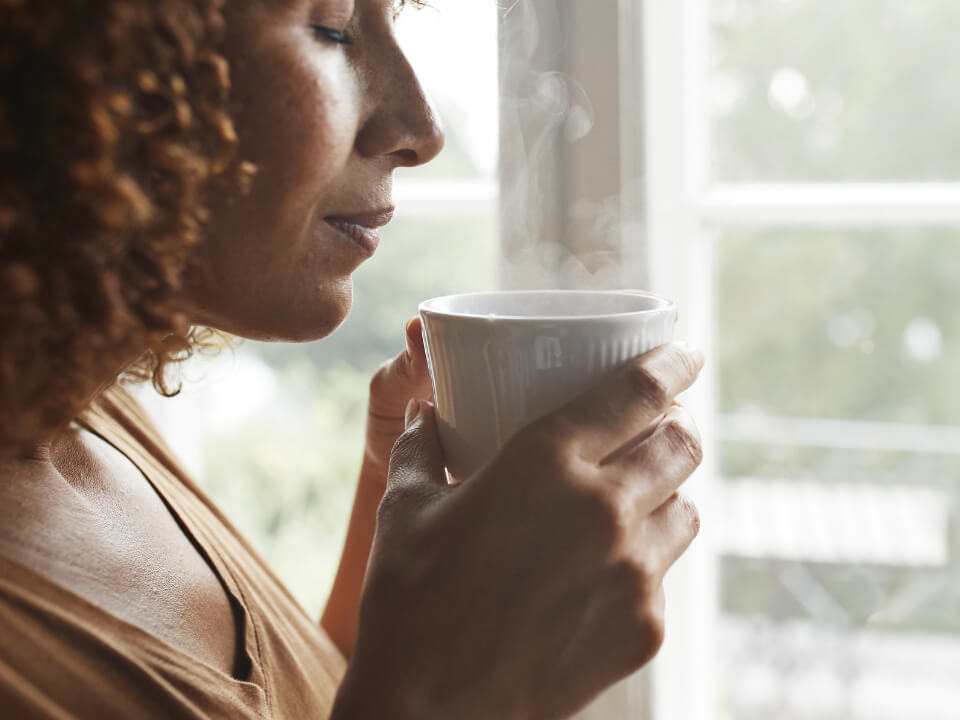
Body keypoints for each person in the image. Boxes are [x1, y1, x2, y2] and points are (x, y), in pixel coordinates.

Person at [0, 0, 705, 717]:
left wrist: (399, 491)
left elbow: (321, 698)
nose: (422, 129)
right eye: (333, 27)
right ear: (87, 65)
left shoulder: (78, 417)